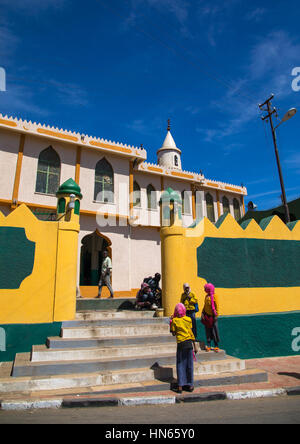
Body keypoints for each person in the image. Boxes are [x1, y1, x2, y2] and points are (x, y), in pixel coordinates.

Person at [170, 303, 197, 394]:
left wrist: (171, 322)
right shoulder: (188, 319)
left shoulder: (175, 320)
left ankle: (180, 385)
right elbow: (190, 332)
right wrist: (195, 346)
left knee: (180, 364)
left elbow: (173, 333)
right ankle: (190, 384)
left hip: (180, 344)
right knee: (189, 364)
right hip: (189, 344)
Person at [201, 283, 220, 352]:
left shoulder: (215, 296)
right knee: (208, 331)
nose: (204, 290)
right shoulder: (206, 297)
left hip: (213, 316)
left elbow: (216, 306)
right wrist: (202, 313)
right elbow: (205, 305)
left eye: (205, 288)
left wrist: (216, 316)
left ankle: (216, 345)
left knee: (214, 330)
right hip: (207, 316)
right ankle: (208, 345)